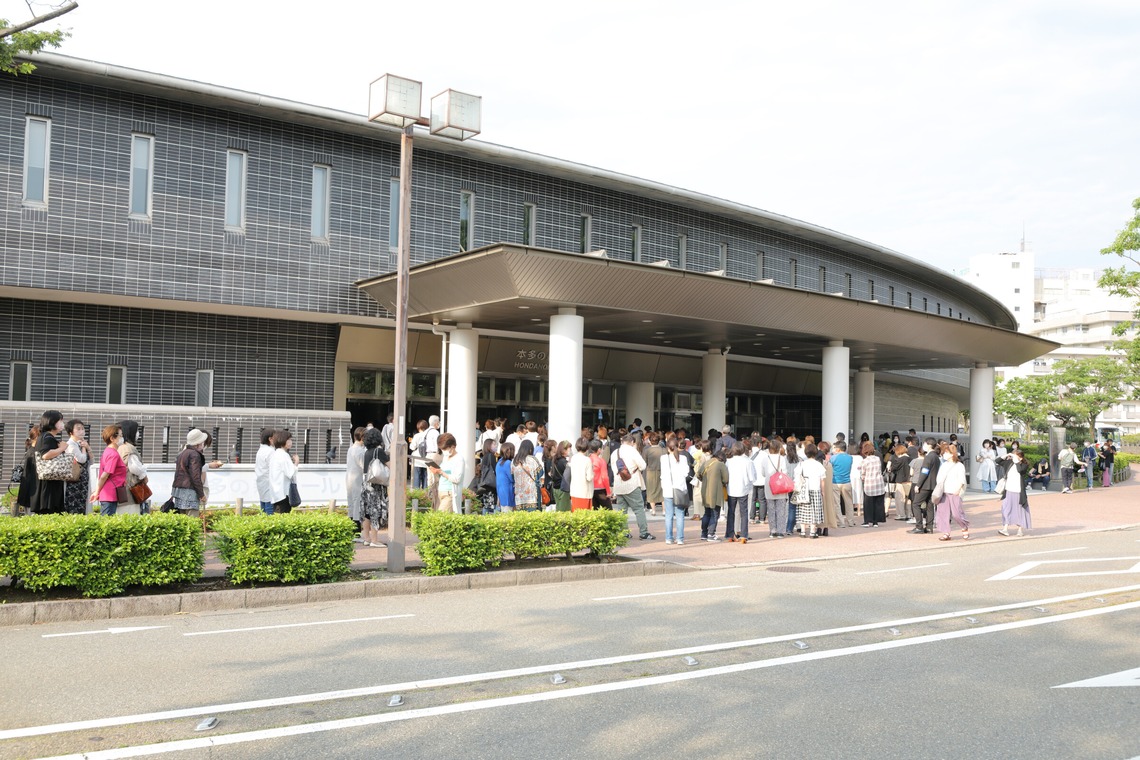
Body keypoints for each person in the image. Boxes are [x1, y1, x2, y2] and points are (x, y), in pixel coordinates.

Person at [612, 433, 653, 540]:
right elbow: (643, 465)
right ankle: (644, 532)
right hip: (632, 483)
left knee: (622, 510)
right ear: (632, 442)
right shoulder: (632, 451)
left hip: (619, 484)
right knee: (639, 508)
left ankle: (624, 532)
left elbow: (613, 469)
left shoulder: (615, 453)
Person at [30, 410, 68, 514]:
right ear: (52, 421)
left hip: (48, 482)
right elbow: (45, 455)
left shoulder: (44, 436)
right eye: (60, 421)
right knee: (50, 513)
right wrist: (62, 448)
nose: (62, 424)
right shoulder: (47, 437)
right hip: (49, 485)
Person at [934, 442, 969, 541]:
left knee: (956, 513)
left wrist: (958, 490)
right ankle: (946, 533)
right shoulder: (944, 465)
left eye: (946, 453)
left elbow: (962, 479)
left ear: (952, 453)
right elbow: (939, 478)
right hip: (944, 492)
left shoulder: (959, 465)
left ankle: (964, 526)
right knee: (943, 513)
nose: (944, 454)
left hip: (954, 492)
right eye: (943, 453)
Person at [360, 427, 389, 547]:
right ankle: (374, 540)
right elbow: (391, 465)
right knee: (375, 511)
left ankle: (366, 538)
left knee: (366, 512)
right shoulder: (379, 451)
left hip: (366, 484)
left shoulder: (367, 452)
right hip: (375, 485)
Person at [90, 424, 128, 516]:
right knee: (106, 523)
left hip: (109, 493)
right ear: (112, 438)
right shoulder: (113, 454)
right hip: (110, 494)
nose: (122, 438)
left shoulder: (108, 451)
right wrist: (97, 492)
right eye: (120, 435)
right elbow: (104, 475)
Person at [660, 436, 690, 545]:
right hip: (680, 489)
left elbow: (663, 474)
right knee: (680, 515)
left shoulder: (664, 458)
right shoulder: (683, 458)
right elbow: (686, 473)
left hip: (668, 489)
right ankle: (680, 538)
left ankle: (669, 538)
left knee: (668, 515)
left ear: (668, 448)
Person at [724, 443, 756, 542]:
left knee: (731, 512)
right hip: (743, 488)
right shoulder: (748, 461)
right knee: (744, 512)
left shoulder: (729, 461)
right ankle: (743, 535)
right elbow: (752, 477)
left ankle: (730, 535)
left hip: (731, 489)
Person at [757, 438, 789, 538]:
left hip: (769, 485)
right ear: (779, 448)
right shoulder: (782, 459)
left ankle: (772, 531)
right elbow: (785, 472)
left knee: (771, 509)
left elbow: (762, 473)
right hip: (780, 486)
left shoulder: (765, 459)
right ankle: (780, 531)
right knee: (781, 510)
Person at [116, 420, 149, 514]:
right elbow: (135, 467)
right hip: (131, 491)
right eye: (137, 430)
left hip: (123, 489)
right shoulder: (128, 448)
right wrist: (144, 476)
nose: (138, 433)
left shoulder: (121, 447)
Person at [172, 429, 208, 515]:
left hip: (179, 492)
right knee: (192, 523)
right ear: (198, 443)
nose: (203, 444)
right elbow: (195, 476)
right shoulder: (194, 455)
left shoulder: (182, 453)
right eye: (202, 441)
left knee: (183, 523)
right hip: (190, 493)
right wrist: (201, 494)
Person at [795, 443, 827, 538]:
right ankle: (813, 532)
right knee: (814, 511)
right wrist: (823, 491)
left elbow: (796, 476)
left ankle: (803, 531)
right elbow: (822, 480)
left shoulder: (801, 464)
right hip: (815, 489)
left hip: (803, 490)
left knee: (803, 510)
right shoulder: (818, 465)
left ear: (806, 453)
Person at [909, 438, 940, 535]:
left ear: (929, 445)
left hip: (925, 485)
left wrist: (918, 485)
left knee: (916, 504)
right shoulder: (936, 457)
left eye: (925, 444)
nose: (923, 446)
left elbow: (924, 472)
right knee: (930, 506)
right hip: (933, 484)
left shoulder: (928, 457)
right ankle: (929, 527)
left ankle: (919, 527)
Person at [697, 445, 728, 541]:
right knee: (715, 513)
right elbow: (726, 479)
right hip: (716, 492)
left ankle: (704, 533)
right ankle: (711, 534)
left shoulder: (707, 463)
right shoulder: (720, 464)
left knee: (707, 513)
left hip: (705, 491)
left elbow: (698, 474)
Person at [999, 448, 1031, 537]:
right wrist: (1006, 455)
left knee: (1019, 510)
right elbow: (998, 461)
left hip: (1018, 491)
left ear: (1020, 458)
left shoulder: (1024, 465)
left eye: (1016, 455)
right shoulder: (1009, 463)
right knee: (1006, 508)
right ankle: (1005, 529)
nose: (1014, 457)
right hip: (1009, 490)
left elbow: (1020, 470)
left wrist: (1016, 461)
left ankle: (1020, 530)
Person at [430, 432, 465, 513]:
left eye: (445, 449)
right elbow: (443, 474)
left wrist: (442, 472)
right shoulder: (446, 457)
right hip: (441, 492)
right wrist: (437, 471)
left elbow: (457, 479)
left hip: (450, 493)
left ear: (453, 446)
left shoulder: (459, 459)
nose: (444, 451)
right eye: (442, 449)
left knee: (439, 518)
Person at [63, 419, 91, 514]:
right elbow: (82, 459)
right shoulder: (71, 444)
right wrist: (84, 447)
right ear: (71, 432)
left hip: (82, 480)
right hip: (75, 481)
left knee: (82, 506)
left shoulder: (80, 443)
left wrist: (88, 448)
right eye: (78, 429)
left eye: (83, 428)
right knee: (74, 507)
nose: (82, 431)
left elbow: (91, 461)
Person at [268, 428, 299, 513]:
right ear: (283, 441)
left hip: (276, 493)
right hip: (283, 493)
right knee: (283, 516)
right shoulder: (283, 455)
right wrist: (296, 463)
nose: (290, 442)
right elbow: (290, 473)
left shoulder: (275, 454)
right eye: (288, 439)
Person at [859, 441, 886, 526]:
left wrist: (862, 478)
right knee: (877, 503)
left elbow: (863, 473)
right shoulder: (877, 459)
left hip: (869, 484)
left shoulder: (865, 461)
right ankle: (875, 522)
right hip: (879, 483)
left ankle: (867, 521)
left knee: (868, 504)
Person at [15, 425, 39, 516]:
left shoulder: (31, 450)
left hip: (28, 490)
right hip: (31, 491)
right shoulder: (34, 452)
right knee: (31, 516)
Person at [346, 427, 366, 534]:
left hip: (349, 478)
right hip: (357, 479)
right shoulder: (359, 451)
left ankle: (351, 528)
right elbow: (364, 466)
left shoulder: (351, 448)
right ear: (362, 438)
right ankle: (356, 529)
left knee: (351, 502)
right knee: (357, 502)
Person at [830, 440, 854, 528]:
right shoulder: (850, 457)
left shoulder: (833, 458)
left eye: (835, 448)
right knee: (849, 502)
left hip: (836, 482)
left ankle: (841, 522)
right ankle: (850, 521)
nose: (834, 449)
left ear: (839, 449)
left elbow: (829, 468)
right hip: (847, 482)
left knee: (837, 503)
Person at [255, 427, 276, 515]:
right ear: (270, 439)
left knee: (263, 507)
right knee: (270, 508)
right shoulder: (270, 452)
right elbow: (274, 469)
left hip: (261, 482)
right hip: (269, 483)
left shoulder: (261, 450)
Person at [888, 444, 912, 520]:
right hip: (909, 481)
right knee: (908, 499)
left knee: (900, 498)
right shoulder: (910, 459)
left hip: (900, 481)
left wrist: (890, 467)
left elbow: (892, 469)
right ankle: (909, 514)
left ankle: (901, 514)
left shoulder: (900, 459)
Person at [475, 438, 499, 514]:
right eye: (494, 444)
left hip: (486, 485)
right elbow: (494, 470)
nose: (495, 446)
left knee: (487, 506)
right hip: (491, 485)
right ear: (489, 446)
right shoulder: (491, 456)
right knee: (492, 506)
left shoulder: (485, 456)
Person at [643, 431, 664, 516]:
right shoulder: (664, 450)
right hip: (662, 471)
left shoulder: (647, 451)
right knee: (662, 490)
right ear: (659, 441)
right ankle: (664, 510)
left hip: (650, 472)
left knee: (651, 490)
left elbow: (644, 462)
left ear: (650, 441)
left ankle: (653, 510)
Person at [588, 439, 612, 509]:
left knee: (594, 511)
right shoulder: (601, 461)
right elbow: (605, 477)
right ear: (599, 449)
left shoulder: (587, 459)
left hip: (590, 488)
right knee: (608, 511)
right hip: (600, 488)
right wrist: (608, 491)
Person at [495, 441, 517, 512]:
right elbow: (512, 478)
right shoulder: (508, 463)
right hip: (508, 491)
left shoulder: (499, 463)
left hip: (501, 491)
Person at [551, 440, 572, 512]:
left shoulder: (554, 459)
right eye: (569, 449)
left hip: (555, 488)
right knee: (564, 511)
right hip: (563, 489)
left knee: (558, 509)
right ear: (564, 450)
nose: (570, 451)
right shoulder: (564, 462)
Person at [410, 420, 429, 489]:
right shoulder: (429, 435)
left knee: (416, 478)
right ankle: (425, 496)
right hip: (427, 459)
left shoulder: (416, 436)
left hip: (417, 460)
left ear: (418, 427)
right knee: (426, 478)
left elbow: (412, 447)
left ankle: (416, 497)